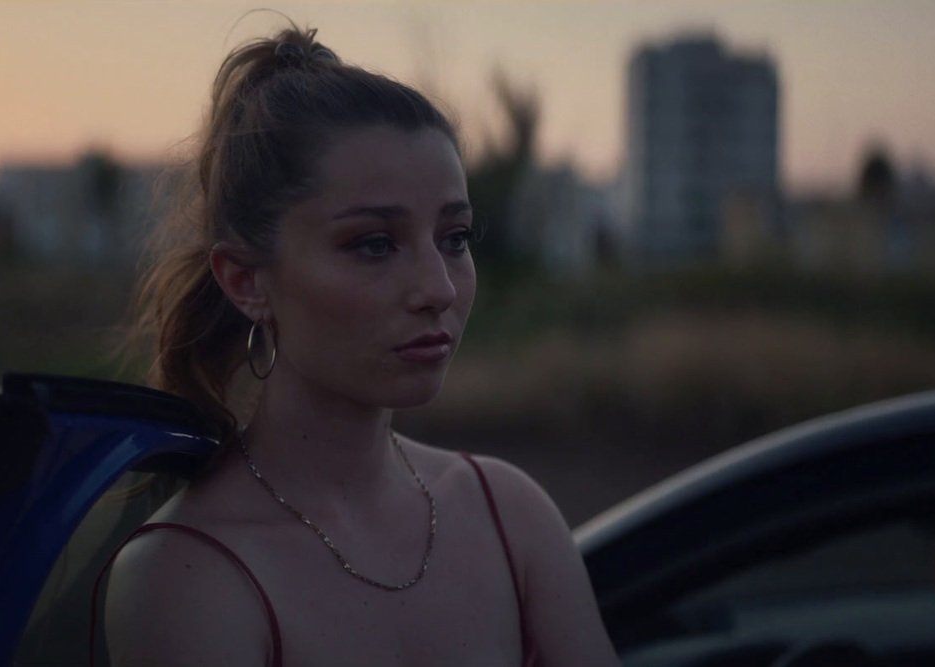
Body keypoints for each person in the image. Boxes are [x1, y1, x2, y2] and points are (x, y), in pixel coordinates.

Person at [104, 24, 620, 667]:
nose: (437, 288)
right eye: (374, 244)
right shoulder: (188, 575)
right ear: (245, 281)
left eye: (454, 238)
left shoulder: (510, 515)